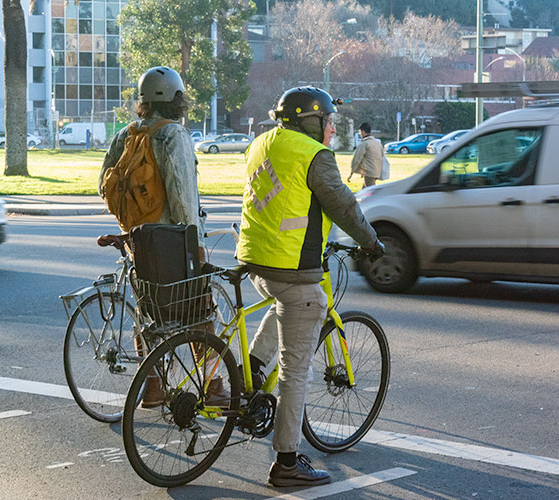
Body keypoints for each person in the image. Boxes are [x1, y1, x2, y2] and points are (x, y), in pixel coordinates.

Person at [236, 86, 384, 487]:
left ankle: (250, 371)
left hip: (255, 260)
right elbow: (343, 205)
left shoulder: (261, 143)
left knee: (283, 305)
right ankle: (286, 462)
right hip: (292, 266)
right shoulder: (313, 154)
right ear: (311, 121)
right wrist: (371, 242)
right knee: (296, 371)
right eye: (328, 121)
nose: (332, 129)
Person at [98, 66, 226, 407]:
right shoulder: (173, 135)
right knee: (200, 311)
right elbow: (183, 197)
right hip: (171, 242)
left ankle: (153, 387)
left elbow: (103, 185)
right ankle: (213, 387)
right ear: (177, 99)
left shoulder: (125, 134)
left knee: (148, 313)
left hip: (137, 239)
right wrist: (197, 246)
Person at [347, 122, 383, 188]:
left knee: (370, 191)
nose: (360, 134)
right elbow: (382, 156)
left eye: (360, 132)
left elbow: (357, 158)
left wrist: (351, 173)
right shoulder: (377, 143)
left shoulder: (365, 143)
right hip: (377, 172)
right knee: (365, 190)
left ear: (362, 131)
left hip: (369, 173)